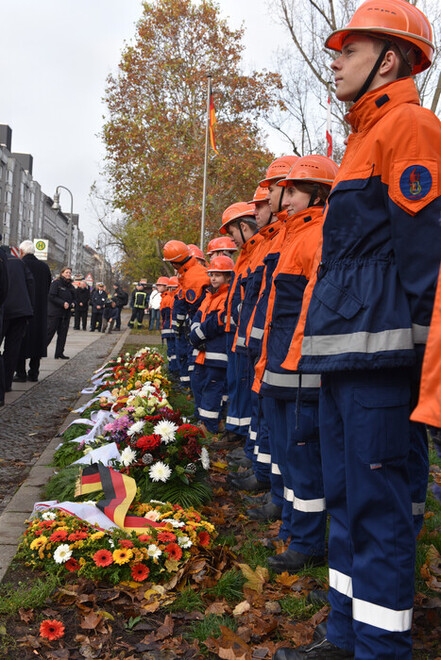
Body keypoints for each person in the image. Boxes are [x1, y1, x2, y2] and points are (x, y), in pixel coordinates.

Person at [274, 2, 441, 658]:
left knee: (376, 511)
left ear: (389, 59)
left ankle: (379, 649)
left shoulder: (410, 127)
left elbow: (424, 253)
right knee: (346, 503)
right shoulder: (361, 140)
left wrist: (421, 364)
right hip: (345, 357)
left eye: (349, 48)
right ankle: (344, 637)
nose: (334, 59)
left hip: (382, 363)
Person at [251, 156, 338, 575]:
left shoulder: (319, 233)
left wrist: (298, 361)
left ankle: (307, 542)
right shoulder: (290, 234)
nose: (282, 196)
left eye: (292, 190)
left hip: (298, 366)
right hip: (279, 362)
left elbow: (310, 306)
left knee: (302, 455)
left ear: (317, 194)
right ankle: (292, 526)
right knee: (286, 450)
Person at [189, 255, 234, 433]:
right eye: (212, 274)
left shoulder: (227, 297)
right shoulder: (208, 297)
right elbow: (197, 318)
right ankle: (208, 421)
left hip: (217, 354)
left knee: (213, 390)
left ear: (228, 277)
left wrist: (197, 335)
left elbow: (218, 321)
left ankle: (209, 426)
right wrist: (194, 333)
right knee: (199, 385)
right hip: (203, 354)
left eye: (218, 275)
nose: (214, 278)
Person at [15, 240, 51, 382]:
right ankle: (34, 372)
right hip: (40, 310)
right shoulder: (44, 267)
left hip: (23, 309)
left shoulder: (21, 265)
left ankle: (20, 373)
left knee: (20, 342)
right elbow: (48, 286)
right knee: (37, 341)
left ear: (21, 251)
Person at [0, 243, 34, 395]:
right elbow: (30, 284)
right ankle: (6, 383)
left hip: (5, 308)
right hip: (21, 311)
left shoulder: (4, 261)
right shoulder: (19, 262)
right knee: (12, 350)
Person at [47, 266, 76, 359]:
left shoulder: (71, 286)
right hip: (55, 313)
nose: (68, 274)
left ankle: (59, 353)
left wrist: (73, 303)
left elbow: (75, 298)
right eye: (66, 272)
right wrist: (62, 303)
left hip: (66, 314)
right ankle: (40, 351)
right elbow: (51, 296)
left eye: (70, 273)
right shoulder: (56, 283)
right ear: (62, 273)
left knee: (63, 334)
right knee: (49, 333)